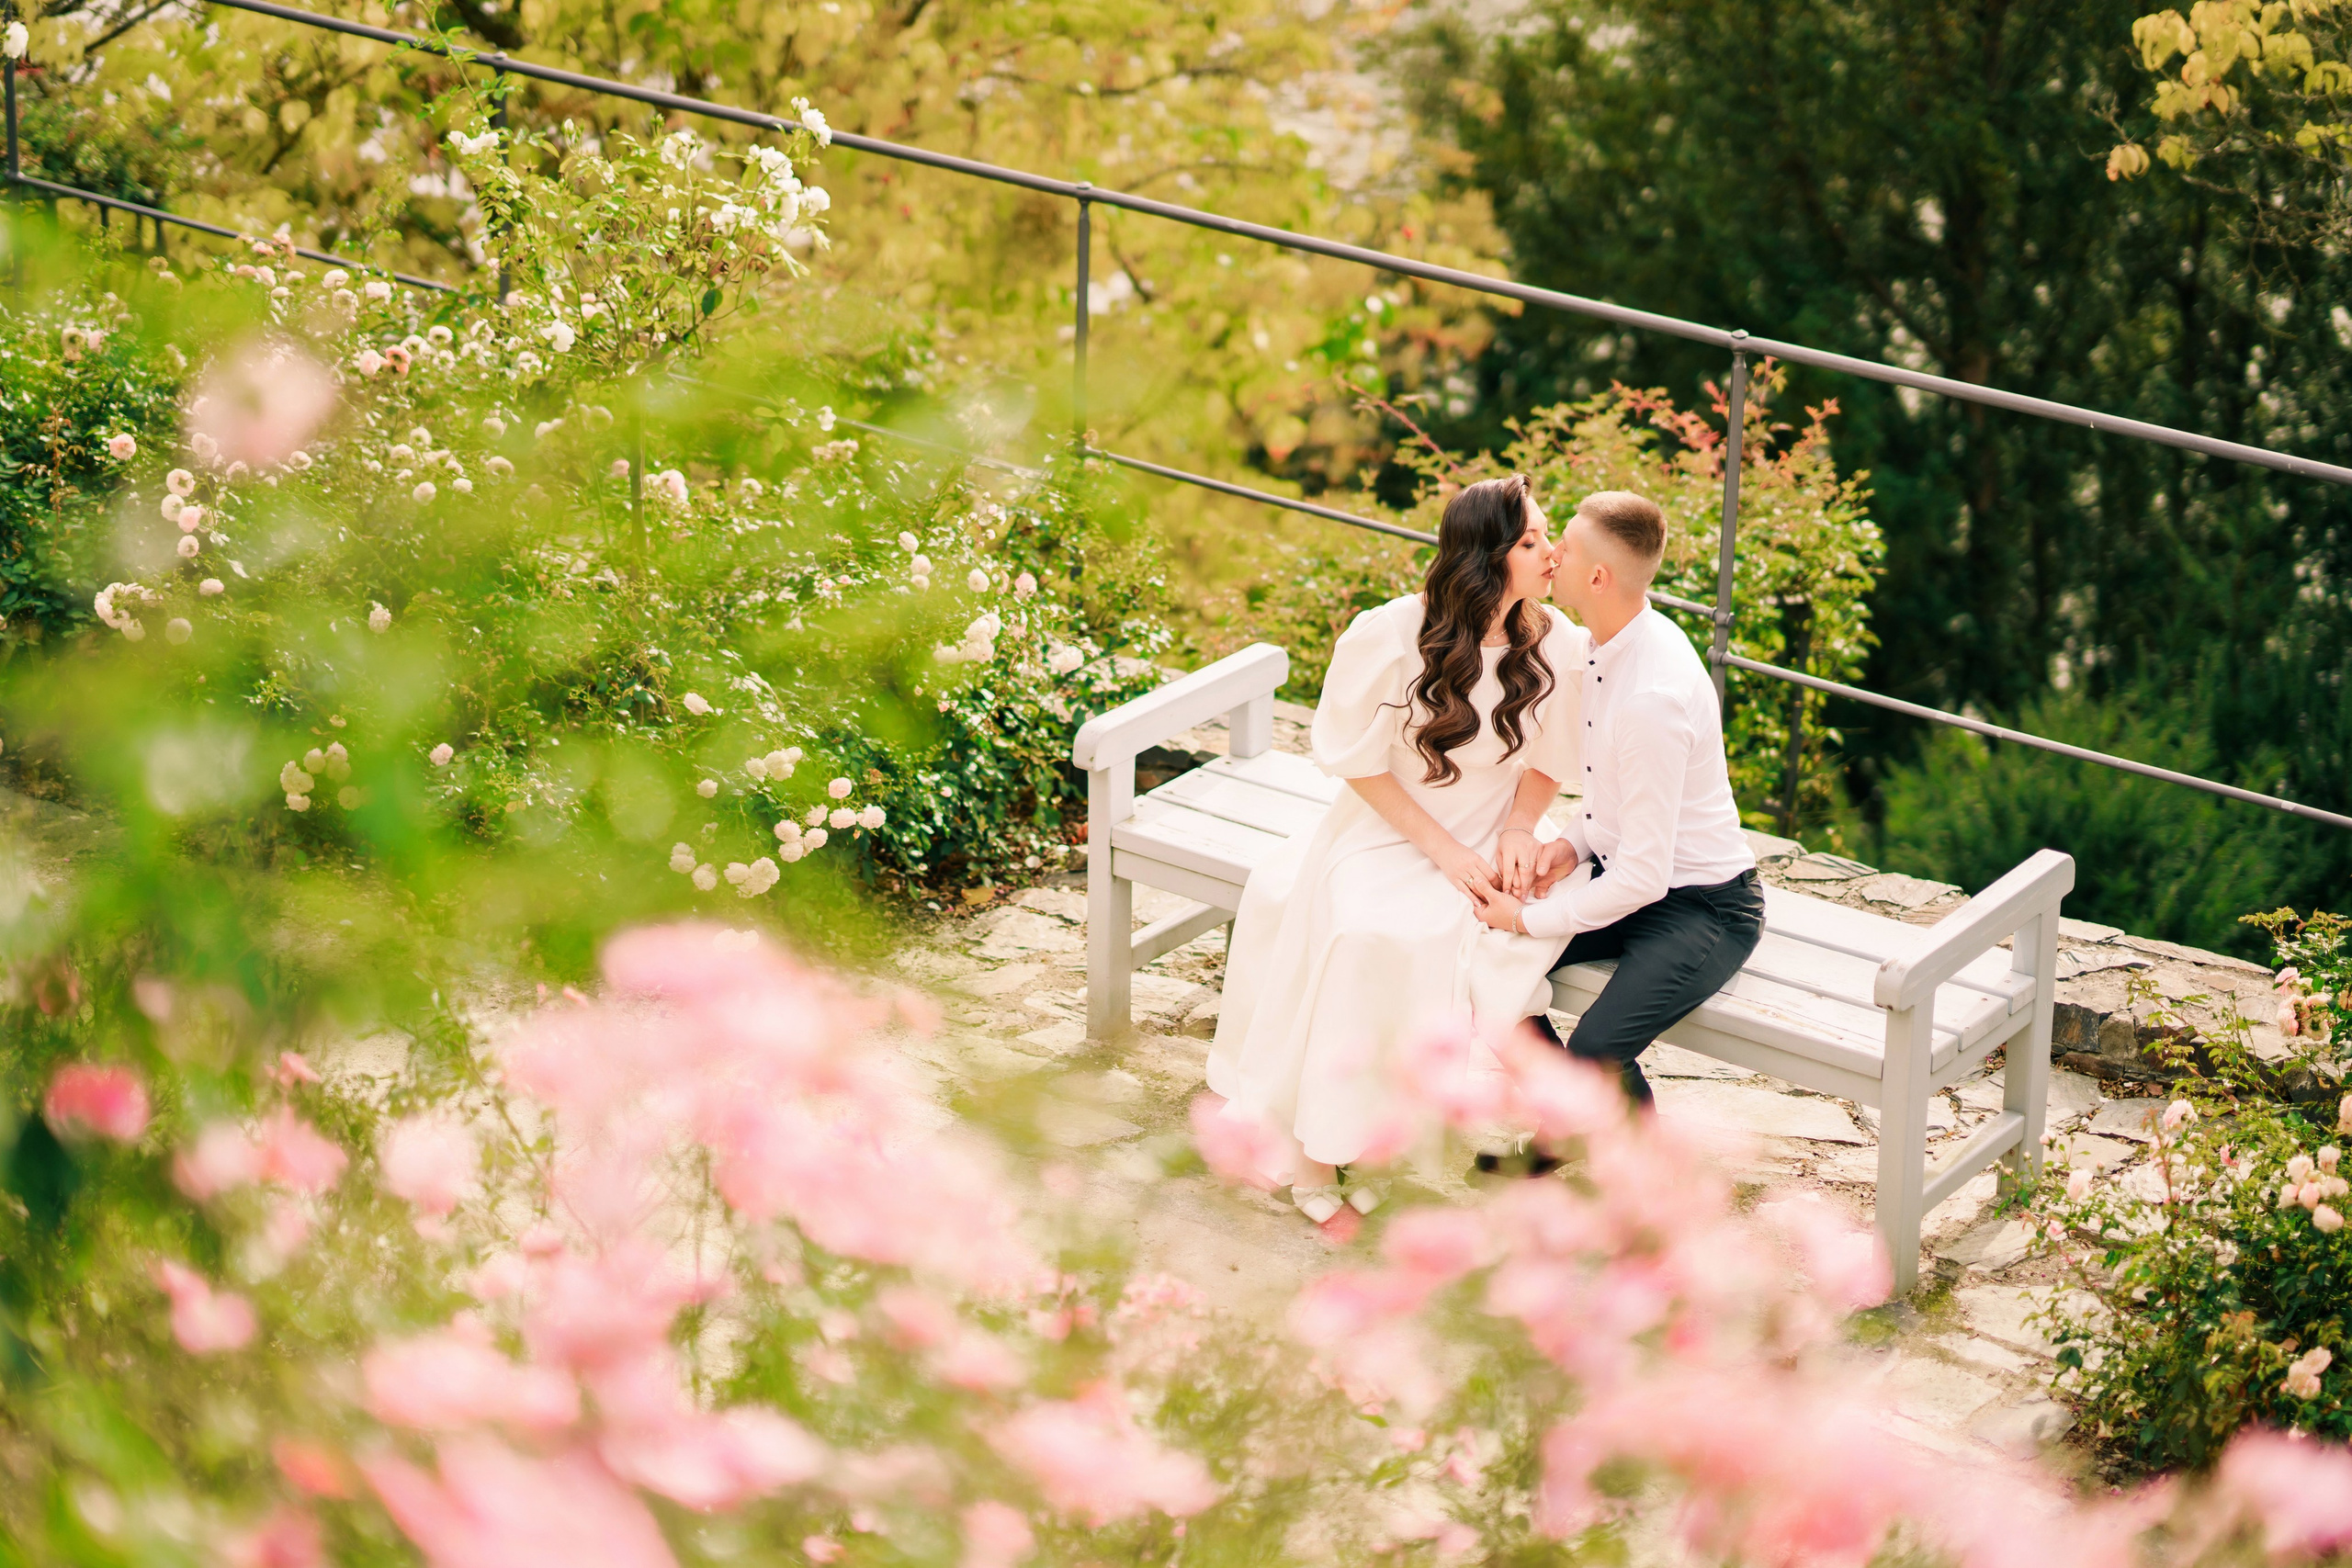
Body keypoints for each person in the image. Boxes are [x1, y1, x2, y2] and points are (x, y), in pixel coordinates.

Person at [1206, 474, 1589, 1224]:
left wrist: (1517, 830)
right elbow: (1356, 761)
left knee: (1480, 932)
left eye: (1548, 536)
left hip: (1495, 828)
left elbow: (1551, 760)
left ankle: (1374, 1141)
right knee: (1366, 933)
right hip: (1388, 828)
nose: (1554, 552)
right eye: (1533, 540)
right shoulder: (1389, 633)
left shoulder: (1557, 642)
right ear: (1486, 556)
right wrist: (1445, 852)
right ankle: (1315, 1154)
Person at [1472, 490, 1762, 1110]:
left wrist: (1525, 918)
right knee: (1484, 971)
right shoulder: (1608, 643)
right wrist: (1569, 848)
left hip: (1704, 908)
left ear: (1597, 576)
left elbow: (1644, 876)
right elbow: (1613, 802)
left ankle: (1640, 1183)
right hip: (1630, 878)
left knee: (1595, 1053)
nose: (1550, 554)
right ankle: (1570, 1131)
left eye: (1565, 547)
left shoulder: (1650, 697)